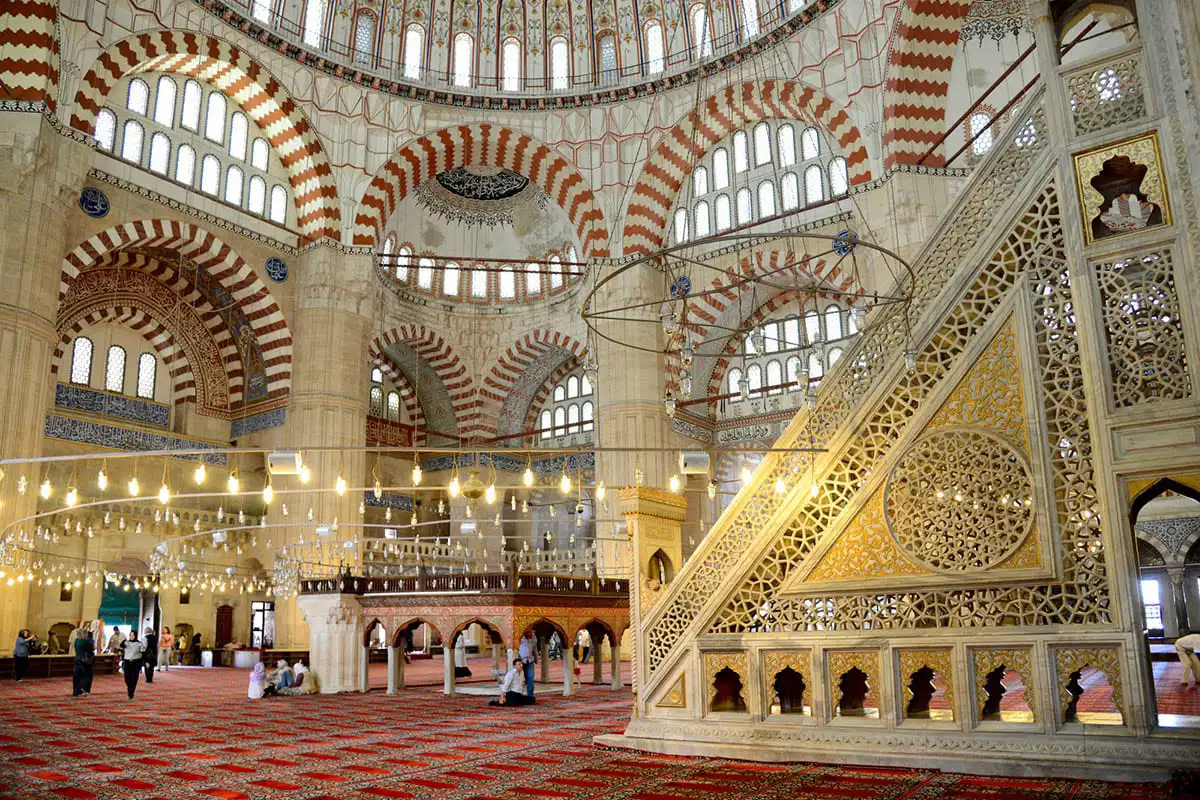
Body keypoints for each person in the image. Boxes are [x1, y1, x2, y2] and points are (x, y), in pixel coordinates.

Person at [121, 630, 146, 699]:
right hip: (127, 662)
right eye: (130, 635)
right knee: (126, 678)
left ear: (135, 636)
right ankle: (130, 688)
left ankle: (131, 693)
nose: (131, 636)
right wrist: (124, 640)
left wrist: (144, 663)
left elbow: (143, 653)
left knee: (134, 679)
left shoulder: (139, 643)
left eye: (133, 635)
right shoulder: (127, 643)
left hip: (135, 663)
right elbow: (121, 645)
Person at [72, 629, 95, 697]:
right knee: (86, 676)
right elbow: (92, 649)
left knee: (77, 677)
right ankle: (83, 691)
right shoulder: (85, 641)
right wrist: (91, 640)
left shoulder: (76, 640)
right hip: (85, 662)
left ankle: (76, 691)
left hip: (77, 660)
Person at [518, 630, 537, 700]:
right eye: (529, 632)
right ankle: (518, 694)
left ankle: (530, 695)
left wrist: (536, 657)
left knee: (530, 677)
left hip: (530, 660)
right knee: (520, 678)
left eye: (531, 632)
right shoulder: (519, 636)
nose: (530, 634)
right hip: (520, 661)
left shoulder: (533, 637)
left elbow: (534, 648)